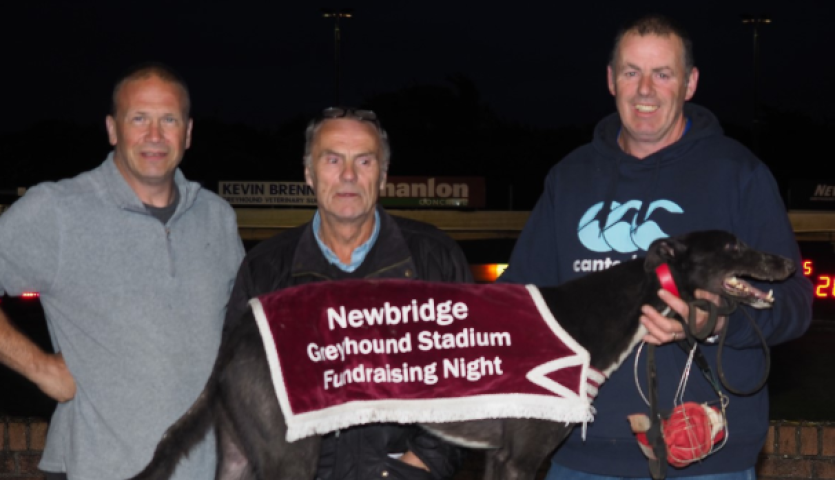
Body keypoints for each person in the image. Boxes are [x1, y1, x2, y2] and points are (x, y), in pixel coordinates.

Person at [498, 14, 812, 479]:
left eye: (662, 73)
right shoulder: (569, 177)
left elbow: (794, 306)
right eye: (631, 72)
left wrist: (713, 322)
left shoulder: (740, 174)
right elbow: (517, 301)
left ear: (689, 83)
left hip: (707, 458)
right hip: (579, 455)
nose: (645, 89)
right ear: (610, 80)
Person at [0, 63, 245, 479]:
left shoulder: (216, 217)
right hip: (99, 468)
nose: (155, 135)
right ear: (113, 130)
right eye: (139, 119)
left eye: (169, 119)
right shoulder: (58, 210)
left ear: (187, 133)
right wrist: (41, 368)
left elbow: (240, 333)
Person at [224, 107, 472, 480]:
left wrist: (413, 468)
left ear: (384, 175)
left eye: (364, 161)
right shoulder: (264, 270)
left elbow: (472, 383)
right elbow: (237, 396)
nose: (348, 175)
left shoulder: (436, 261)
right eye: (333, 159)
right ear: (309, 174)